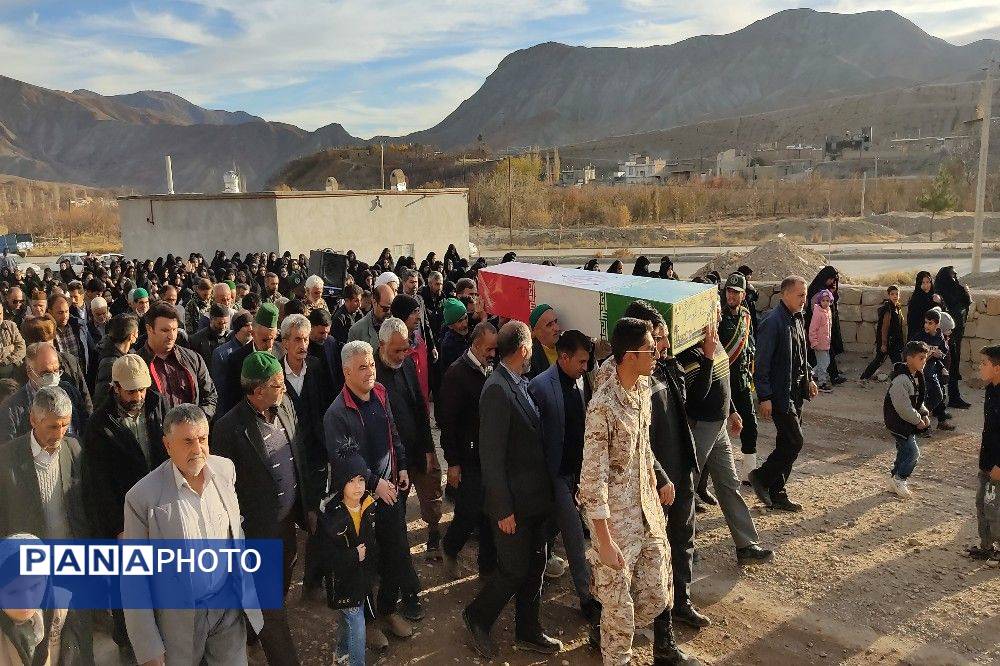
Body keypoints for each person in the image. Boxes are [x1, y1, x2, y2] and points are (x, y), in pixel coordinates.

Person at [579, 317, 696, 666]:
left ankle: (656, 646)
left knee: (658, 588)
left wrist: (659, 478)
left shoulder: (642, 391)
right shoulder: (603, 406)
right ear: (629, 355)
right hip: (615, 522)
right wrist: (602, 537)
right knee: (618, 611)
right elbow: (591, 478)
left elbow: (643, 446)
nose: (657, 354)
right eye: (649, 349)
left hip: (645, 512)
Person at [123, 404, 264, 666]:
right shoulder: (142, 498)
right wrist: (148, 647)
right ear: (167, 445)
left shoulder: (225, 471)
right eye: (187, 441)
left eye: (202, 439)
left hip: (227, 610)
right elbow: (134, 580)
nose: (197, 449)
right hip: (179, 621)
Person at [212, 351, 325, 666]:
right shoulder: (228, 430)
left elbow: (299, 456)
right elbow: (223, 492)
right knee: (271, 604)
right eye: (278, 385)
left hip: (287, 523)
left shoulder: (285, 406)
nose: (285, 389)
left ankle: (251, 629)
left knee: (279, 588)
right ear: (257, 390)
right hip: (256, 535)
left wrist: (309, 506)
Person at [463, 321, 561, 660]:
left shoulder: (518, 382)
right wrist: (503, 509)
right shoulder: (497, 390)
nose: (532, 353)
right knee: (513, 569)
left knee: (536, 564)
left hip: (534, 499)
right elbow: (490, 457)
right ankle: (477, 616)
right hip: (512, 505)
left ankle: (528, 630)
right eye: (531, 347)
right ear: (522, 350)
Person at [324, 340, 420, 647]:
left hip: (388, 490)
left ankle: (389, 610)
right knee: (364, 562)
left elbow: (393, 433)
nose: (370, 372)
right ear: (347, 371)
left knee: (396, 553)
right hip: (359, 501)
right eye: (363, 367)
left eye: (372, 365)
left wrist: (401, 465)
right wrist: (374, 481)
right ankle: (369, 623)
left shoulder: (380, 393)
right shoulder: (336, 414)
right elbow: (347, 458)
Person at [81, 353, 168, 652]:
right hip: (125, 520)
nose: (138, 396)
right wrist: (119, 528)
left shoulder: (158, 406)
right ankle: (130, 645)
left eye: (142, 389)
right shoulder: (99, 426)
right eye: (131, 391)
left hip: (160, 511)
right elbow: (98, 486)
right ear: (116, 387)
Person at [678, 308, 774, 562]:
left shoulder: (714, 340)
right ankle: (681, 545)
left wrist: (731, 410)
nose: (719, 317)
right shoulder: (688, 352)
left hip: (718, 425)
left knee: (729, 484)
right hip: (700, 426)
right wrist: (708, 356)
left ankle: (746, 545)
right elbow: (698, 394)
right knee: (685, 487)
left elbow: (723, 380)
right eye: (715, 313)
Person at [527, 329, 600, 624]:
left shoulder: (581, 381)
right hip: (554, 474)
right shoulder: (540, 387)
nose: (585, 368)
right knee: (574, 537)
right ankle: (587, 598)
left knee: (548, 531)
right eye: (581, 362)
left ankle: (533, 575)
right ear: (565, 357)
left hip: (576, 473)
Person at [375, 317, 442, 561]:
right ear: (382, 345)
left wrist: (427, 446)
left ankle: (434, 535)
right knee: (395, 506)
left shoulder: (407, 364)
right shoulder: (370, 371)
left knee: (431, 493)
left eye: (406, 349)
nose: (403, 354)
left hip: (417, 448)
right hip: (390, 458)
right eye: (397, 350)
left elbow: (419, 406)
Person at [750, 275, 819, 511]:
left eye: (806, 295)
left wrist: (809, 378)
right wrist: (765, 396)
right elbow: (762, 363)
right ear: (785, 294)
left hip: (796, 391)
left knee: (787, 441)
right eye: (800, 295)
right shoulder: (773, 322)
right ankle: (761, 477)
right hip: (780, 395)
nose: (804, 299)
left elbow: (802, 355)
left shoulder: (798, 318)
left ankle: (777, 492)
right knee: (794, 440)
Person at [440, 322, 498, 579]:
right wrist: (453, 462)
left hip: (487, 454)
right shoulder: (457, 374)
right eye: (489, 349)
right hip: (466, 457)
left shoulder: (489, 369)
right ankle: (450, 547)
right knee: (469, 511)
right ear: (475, 345)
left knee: (489, 514)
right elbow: (447, 422)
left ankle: (487, 568)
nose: (492, 354)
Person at [0, 386, 88, 539]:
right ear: (33, 419)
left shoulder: (75, 449)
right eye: (52, 427)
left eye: (65, 425)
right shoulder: (7, 458)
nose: (59, 434)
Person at [318, 450, 377, 666]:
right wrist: (354, 555)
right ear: (341, 482)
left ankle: (341, 653)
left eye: (361, 479)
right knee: (357, 622)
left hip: (361, 578)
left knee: (348, 617)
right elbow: (327, 556)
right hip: (343, 580)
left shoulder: (369, 505)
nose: (358, 486)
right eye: (351, 480)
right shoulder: (332, 515)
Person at [0, 533, 93, 665]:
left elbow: (75, 657)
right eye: (13, 592)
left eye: (34, 587)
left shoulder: (62, 608)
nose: (26, 601)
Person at [138, 302, 217, 420]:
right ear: (149, 329)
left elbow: (210, 396)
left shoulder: (193, 359)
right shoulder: (137, 364)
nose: (171, 336)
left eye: (174, 329)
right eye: (165, 330)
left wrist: (196, 421)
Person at [0, 342, 87, 443]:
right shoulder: (11, 409)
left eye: (56, 370)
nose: (53, 377)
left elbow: (84, 426)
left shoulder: (69, 391)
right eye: (46, 373)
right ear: (29, 371)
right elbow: (9, 450)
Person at [718, 273, 758, 482]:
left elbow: (750, 343)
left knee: (750, 423)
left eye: (736, 292)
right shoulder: (719, 317)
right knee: (716, 429)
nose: (731, 295)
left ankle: (749, 471)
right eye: (729, 291)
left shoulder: (746, 315)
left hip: (741, 379)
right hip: (723, 378)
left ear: (743, 295)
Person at [883, 341, 931, 499]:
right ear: (909, 358)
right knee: (912, 452)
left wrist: (923, 413)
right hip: (898, 423)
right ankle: (900, 478)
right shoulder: (901, 380)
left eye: (925, 358)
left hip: (906, 423)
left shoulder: (916, 376)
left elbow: (918, 401)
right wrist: (918, 421)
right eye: (921, 358)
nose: (924, 361)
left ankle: (893, 480)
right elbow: (903, 407)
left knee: (903, 451)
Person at [212, 302, 279, 416]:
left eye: (273, 338)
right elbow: (230, 401)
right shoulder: (236, 360)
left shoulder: (281, 353)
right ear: (253, 333)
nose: (270, 345)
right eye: (265, 340)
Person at [969, 344, 1000, 560]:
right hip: (987, 460)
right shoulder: (991, 389)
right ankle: (987, 547)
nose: (981, 367)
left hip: (997, 465)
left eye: (984, 363)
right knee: (983, 502)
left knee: (995, 507)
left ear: (997, 368)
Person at [934, 266, 973, 409]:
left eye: (956, 275)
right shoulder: (938, 294)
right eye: (952, 276)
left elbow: (966, 305)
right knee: (942, 368)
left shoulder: (958, 290)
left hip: (957, 336)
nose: (955, 278)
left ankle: (954, 397)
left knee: (954, 367)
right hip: (944, 338)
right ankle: (938, 400)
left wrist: (967, 293)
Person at [911, 309, 955, 432]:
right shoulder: (920, 336)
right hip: (921, 373)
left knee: (938, 395)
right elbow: (910, 350)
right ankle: (921, 424)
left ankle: (925, 417)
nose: (927, 325)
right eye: (926, 322)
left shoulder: (940, 337)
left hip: (933, 372)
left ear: (937, 324)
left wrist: (939, 355)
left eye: (930, 323)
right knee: (922, 397)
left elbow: (944, 353)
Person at [805, 266, 845, 385]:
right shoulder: (818, 290)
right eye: (831, 279)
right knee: (828, 354)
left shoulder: (825, 289)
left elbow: (833, 301)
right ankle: (832, 377)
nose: (832, 282)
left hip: (825, 327)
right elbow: (815, 310)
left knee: (822, 355)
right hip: (818, 327)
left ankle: (815, 376)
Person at [860, 285, 904, 381]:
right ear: (888, 295)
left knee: (894, 361)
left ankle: (899, 379)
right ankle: (864, 377)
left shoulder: (897, 307)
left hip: (894, 340)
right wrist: (884, 344)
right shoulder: (888, 309)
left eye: (897, 294)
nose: (895, 296)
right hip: (888, 341)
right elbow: (884, 328)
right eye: (892, 294)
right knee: (880, 360)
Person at [349, 284, 394, 351]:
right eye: (386, 308)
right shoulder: (357, 331)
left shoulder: (397, 326)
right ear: (374, 302)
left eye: (392, 308)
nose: (389, 312)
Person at [526, 303, 561, 380]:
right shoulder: (530, 359)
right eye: (549, 325)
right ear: (536, 332)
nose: (556, 328)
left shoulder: (566, 344)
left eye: (556, 322)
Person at [808, 289, 834, 392]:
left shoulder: (828, 311)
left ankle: (809, 375)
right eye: (823, 300)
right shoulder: (818, 313)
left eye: (827, 300)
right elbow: (812, 328)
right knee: (823, 364)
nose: (825, 302)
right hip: (819, 343)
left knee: (824, 363)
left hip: (825, 342)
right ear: (820, 301)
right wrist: (814, 342)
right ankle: (822, 383)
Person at [436, 297, 470, 372]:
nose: (465, 324)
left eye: (466, 318)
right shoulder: (449, 345)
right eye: (460, 321)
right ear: (450, 326)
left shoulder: (469, 332)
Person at [906, 271, 941, 340]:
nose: (926, 285)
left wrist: (939, 302)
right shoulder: (915, 299)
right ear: (919, 284)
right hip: (919, 335)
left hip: (933, 336)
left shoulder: (934, 297)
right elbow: (912, 322)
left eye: (928, 282)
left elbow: (941, 315)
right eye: (923, 283)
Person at [0, 303, 25, 378]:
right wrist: (9, 348)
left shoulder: (11, 326)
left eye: (0, 313)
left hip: (15, 367)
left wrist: (7, 361)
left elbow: (22, 348)